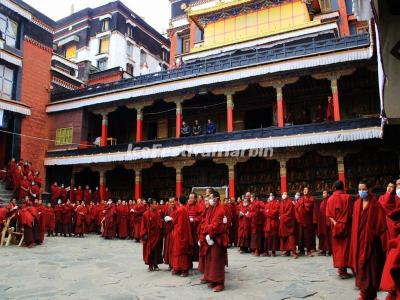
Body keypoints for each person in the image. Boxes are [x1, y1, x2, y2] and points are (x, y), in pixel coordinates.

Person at [349, 180, 387, 300]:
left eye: (363, 189)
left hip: (372, 243)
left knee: (371, 269)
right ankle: (364, 294)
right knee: (361, 268)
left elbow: (381, 225)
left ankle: (371, 294)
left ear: (369, 190)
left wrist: (374, 235)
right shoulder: (356, 204)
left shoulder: (375, 205)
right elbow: (354, 224)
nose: (361, 192)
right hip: (359, 241)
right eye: (359, 189)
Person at [200, 191, 228, 292]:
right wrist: (206, 234)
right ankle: (213, 280)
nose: (210, 199)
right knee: (210, 260)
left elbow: (216, 225)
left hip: (217, 238)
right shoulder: (211, 209)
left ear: (216, 198)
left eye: (211, 197)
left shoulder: (220, 210)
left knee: (217, 260)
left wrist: (209, 233)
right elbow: (207, 222)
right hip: (210, 237)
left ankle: (220, 282)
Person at [326, 180, 353, 279]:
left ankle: (341, 270)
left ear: (334, 187)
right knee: (346, 248)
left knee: (337, 249)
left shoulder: (330, 199)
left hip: (335, 226)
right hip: (346, 226)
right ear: (343, 187)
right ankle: (344, 270)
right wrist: (342, 222)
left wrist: (335, 223)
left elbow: (329, 214)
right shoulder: (348, 198)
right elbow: (350, 213)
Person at [169, 195, 193, 277]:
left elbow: (174, 221)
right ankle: (179, 269)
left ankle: (183, 270)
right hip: (184, 233)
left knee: (179, 252)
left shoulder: (179, 210)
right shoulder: (185, 209)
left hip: (179, 233)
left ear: (179, 201)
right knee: (182, 252)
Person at [141, 198, 163, 272]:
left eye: (156, 204)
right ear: (150, 205)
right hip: (149, 235)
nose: (156, 205)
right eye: (154, 204)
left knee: (156, 251)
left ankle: (156, 265)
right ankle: (150, 266)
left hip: (156, 235)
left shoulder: (157, 213)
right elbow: (143, 225)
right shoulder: (145, 214)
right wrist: (144, 234)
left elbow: (160, 223)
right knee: (150, 251)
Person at [295, 187, 315, 256]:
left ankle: (309, 250)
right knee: (301, 235)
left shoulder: (311, 198)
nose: (305, 191)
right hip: (301, 220)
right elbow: (297, 208)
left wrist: (302, 205)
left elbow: (309, 207)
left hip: (307, 220)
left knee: (308, 235)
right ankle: (301, 250)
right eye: (304, 190)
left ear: (309, 191)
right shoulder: (301, 199)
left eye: (306, 190)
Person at [279, 192, 297, 258]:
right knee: (284, 237)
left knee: (291, 237)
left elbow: (290, 212)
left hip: (289, 222)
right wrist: (280, 216)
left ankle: (293, 251)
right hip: (283, 222)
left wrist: (283, 217)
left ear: (287, 195)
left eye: (285, 194)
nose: (283, 195)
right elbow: (280, 211)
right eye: (283, 194)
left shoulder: (290, 202)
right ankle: (287, 251)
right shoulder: (281, 202)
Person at [163, 197, 177, 269]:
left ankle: (174, 263)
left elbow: (179, 220)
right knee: (168, 248)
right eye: (170, 202)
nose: (172, 203)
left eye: (173, 201)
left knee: (173, 248)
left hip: (174, 231)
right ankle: (169, 263)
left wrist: (172, 219)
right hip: (168, 231)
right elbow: (164, 218)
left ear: (176, 202)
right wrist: (165, 219)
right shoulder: (168, 210)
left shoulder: (178, 209)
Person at [317, 191, 332, 256]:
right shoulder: (322, 202)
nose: (323, 194)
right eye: (323, 193)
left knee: (328, 236)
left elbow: (330, 212)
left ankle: (329, 250)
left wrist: (328, 221)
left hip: (327, 221)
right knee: (322, 236)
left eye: (325, 193)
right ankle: (323, 249)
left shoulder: (329, 201)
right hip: (322, 222)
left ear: (328, 194)